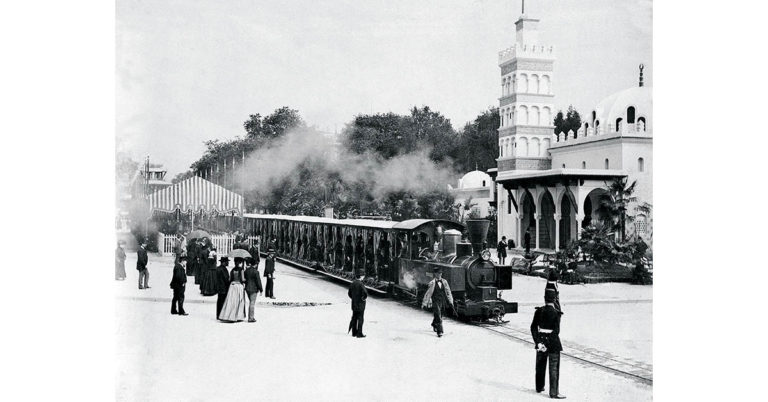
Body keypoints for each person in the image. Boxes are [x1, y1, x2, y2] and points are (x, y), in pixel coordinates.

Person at [530, 289, 566, 399]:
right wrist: (548, 342)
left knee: (540, 365)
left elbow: (533, 327)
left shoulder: (539, 311)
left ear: (544, 298)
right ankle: (554, 393)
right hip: (553, 343)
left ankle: (539, 387)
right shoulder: (556, 313)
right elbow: (556, 331)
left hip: (541, 340)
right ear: (554, 299)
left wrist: (539, 342)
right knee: (554, 368)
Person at [421, 266, 455, 338]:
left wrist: (451, 301)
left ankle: (434, 324)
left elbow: (448, 292)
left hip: (443, 300)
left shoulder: (445, 282)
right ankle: (440, 331)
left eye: (440, 273)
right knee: (438, 315)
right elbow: (428, 294)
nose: (439, 274)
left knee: (440, 314)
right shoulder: (432, 283)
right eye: (438, 273)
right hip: (435, 300)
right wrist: (425, 303)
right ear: (435, 274)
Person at [219, 257, 247, 322]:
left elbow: (229, 279)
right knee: (239, 301)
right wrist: (246, 279)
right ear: (240, 263)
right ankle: (238, 316)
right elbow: (243, 279)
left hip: (232, 286)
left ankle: (228, 315)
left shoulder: (232, 270)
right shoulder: (241, 270)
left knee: (231, 301)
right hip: (239, 286)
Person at [347, 274, 368, 338]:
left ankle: (354, 332)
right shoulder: (361, 284)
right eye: (363, 276)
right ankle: (359, 333)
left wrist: (353, 298)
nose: (363, 277)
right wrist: (363, 299)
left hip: (354, 304)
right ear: (361, 277)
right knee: (360, 318)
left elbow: (349, 293)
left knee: (354, 318)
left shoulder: (352, 283)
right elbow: (365, 293)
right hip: (360, 304)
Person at [244, 257, 263, 322]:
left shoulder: (246, 271)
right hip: (254, 289)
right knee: (252, 303)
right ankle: (251, 318)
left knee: (251, 302)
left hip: (247, 288)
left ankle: (250, 316)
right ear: (256, 264)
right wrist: (261, 289)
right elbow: (258, 281)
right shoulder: (256, 272)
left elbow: (245, 279)